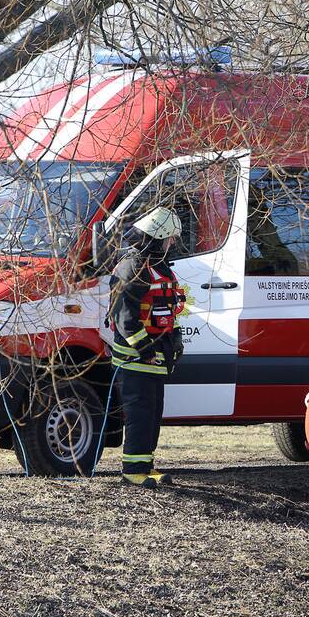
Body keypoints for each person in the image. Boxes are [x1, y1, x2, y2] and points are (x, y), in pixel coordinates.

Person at [108, 207, 186, 488]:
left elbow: (168, 309)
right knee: (139, 415)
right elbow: (124, 316)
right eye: (170, 239)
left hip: (155, 358)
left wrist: (175, 340)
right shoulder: (132, 268)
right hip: (136, 360)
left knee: (152, 416)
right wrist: (146, 350)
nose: (172, 244)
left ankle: (145, 465)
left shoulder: (157, 267)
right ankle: (132, 471)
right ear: (157, 237)